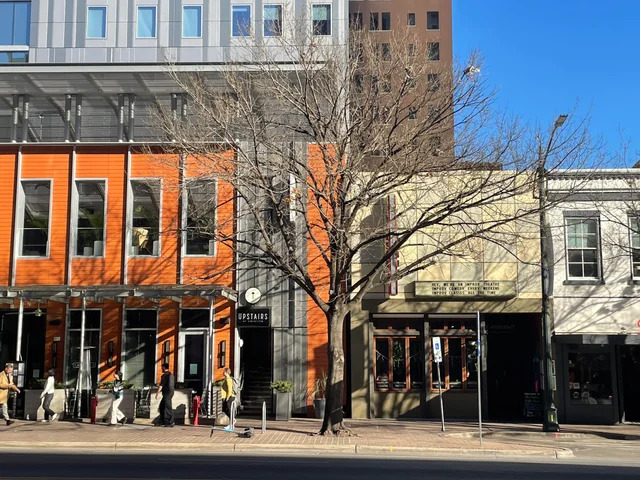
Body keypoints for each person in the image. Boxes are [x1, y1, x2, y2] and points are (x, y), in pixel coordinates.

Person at [155, 363, 174, 427]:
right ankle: (163, 421)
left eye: (161, 367)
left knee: (167, 407)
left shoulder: (165, 375)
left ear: (163, 367)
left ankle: (170, 422)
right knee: (162, 407)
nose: (161, 369)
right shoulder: (171, 375)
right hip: (170, 392)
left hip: (167, 393)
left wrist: (157, 393)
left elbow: (161, 385)